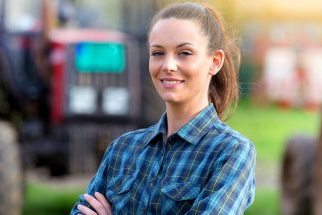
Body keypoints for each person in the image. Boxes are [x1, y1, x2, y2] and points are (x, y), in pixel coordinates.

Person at [70, 2, 256, 214]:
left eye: (184, 53)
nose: (168, 65)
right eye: (158, 53)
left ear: (214, 61)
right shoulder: (121, 149)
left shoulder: (231, 152)